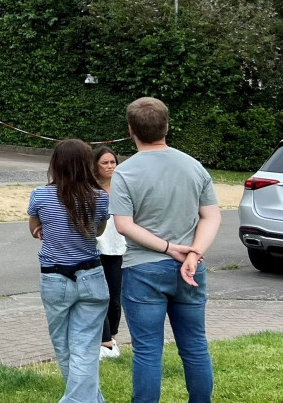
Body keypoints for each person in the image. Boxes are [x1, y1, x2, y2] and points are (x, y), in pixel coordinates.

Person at [111, 97, 220, 403]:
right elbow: (212, 215)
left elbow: (124, 225)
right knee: (195, 345)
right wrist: (194, 253)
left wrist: (169, 248)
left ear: (131, 130)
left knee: (147, 350)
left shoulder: (124, 172)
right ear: (167, 127)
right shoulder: (193, 166)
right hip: (190, 268)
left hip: (142, 269)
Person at [28, 139, 110, 403]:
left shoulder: (40, 195)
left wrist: (47, 230)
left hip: (54, 277)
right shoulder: (99, 197)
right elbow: (98, 232)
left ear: (55, 164)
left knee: (63, 346)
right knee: (85, 347)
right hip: (91, 276)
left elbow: (34, 229)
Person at [92, 146, 126, 359]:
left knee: (115, 298)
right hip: (94, 248)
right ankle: (104, 341)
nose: (110, 166)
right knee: (99, 296)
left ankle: (111, 337)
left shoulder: (123, 187)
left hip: (117, 248)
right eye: (105, 163)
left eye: (112, 162)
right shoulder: (90, 189)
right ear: (95, 165)